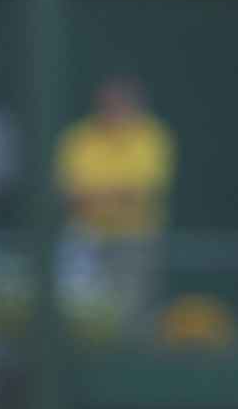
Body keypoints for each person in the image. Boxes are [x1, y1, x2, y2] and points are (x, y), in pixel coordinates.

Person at [55, 73, 176, 336]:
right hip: (87, 238)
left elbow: (143, 190)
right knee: (80, 310)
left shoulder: (151, 135)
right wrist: (115, 194)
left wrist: (98, 195)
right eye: (108, 104)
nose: (113, 110)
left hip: (135, 238)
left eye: (120, 104)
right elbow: (71, 192)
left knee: (130, 313)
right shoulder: (80, 137)